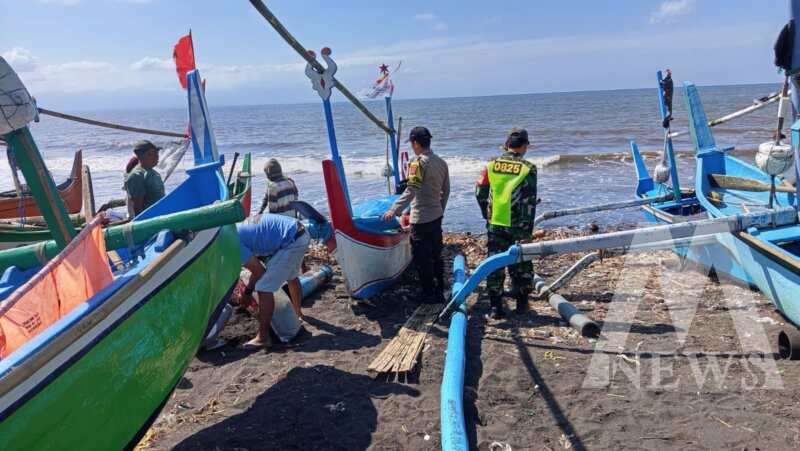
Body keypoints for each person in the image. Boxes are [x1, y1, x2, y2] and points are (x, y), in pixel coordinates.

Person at [381, 126, 450, 304]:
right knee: (436, 255)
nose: (412, 147)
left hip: (421, 218)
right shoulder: (441, 162)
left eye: (412, 143)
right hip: (436, 215)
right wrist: (440, 208)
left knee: (422, 258)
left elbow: (411, 189)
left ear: (416, 143)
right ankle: (440, 289)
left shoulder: (417, 163)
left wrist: (394, 209)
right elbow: (446, 190)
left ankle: (428, 294)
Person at [475, 128, 537, 318]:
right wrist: (527, 229)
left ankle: (496, 308)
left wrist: (488, 216)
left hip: (496, 222)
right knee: (521, 263)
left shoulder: (490, 166)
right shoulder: (528, 167)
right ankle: (522, 304)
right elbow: (529, 200)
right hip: (518, 225)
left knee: (495, 263)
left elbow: (480, 193)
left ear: (506, 145)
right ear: (524, 146)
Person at [237, 213, 310, 350]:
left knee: (263, 287)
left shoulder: (233, 242)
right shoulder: (237, 229)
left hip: (291, 241)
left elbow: (259, 271)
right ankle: (298, 314)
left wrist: (247, 292)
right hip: (299, 232)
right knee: (291, 276)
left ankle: (263, 338)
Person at [124, 140, 165, 217]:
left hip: (161, 214)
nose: (157, 156)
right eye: (151, 154)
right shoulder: (137, 176)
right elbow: (137, 207)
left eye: (157, 153)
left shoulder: (154, 173)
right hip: (151, 219)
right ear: (141, 156)